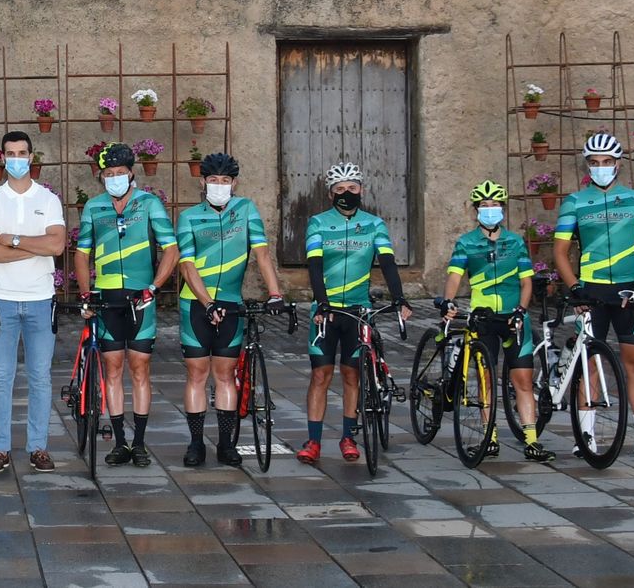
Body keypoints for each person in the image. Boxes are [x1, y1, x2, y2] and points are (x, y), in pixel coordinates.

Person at [553, 133, 634, 458]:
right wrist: (575, 287)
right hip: (591, 290)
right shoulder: (574, 202)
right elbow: (560, 252)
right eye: (594, 162)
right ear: (587, 165)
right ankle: (586, 436)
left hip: (629, 290)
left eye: (606, 162)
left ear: (617, 164)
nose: (601, 167)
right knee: (589, 364)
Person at [175, 153, 287, 467]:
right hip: (195, 304)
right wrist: (207, 303)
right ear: (203, 182)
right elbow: (186, 265)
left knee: (225, 376)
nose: (219, 186)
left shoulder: (247, 210)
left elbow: (262, 255)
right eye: (213, 180)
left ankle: (226, 445)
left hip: (230, 302)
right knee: (197, 375)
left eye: (225, 181)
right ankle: (196, 444)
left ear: (234, 183)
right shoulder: (189, 217)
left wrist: (275, 293)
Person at [297, 163, 412, 465]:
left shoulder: (374, 225)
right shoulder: (318, 223)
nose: (346, 193)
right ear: (330, 193)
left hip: (359, 310)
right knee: (321, 374)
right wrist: (322, 302)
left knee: (351, 374)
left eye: (352, 188)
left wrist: (400, 298)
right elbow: (315, 265)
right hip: (327, 310)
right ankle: (313, 441)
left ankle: (348, 437)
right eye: (339, 190)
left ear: (362, 189)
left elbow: (387, 262)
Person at [75, 143, 177, 468]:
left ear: (131, 173)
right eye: (108, 174)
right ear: (101, 177)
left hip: (140, 299)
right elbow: (81, 254)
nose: (115, 178)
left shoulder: (149, 204)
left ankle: (141, 443)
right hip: (107, 300)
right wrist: (84, 293)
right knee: (113, 370)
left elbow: (171, 250)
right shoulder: (93, 207)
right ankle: (120, 443)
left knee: (140, 369)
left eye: (120, 173)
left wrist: (154, 287)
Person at [438, 181, 551, 463]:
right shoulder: (466, 242)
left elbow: (526, 283)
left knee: (523, 380)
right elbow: (455, 276)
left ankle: (532, 441)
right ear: (476, 211)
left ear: (502, 209)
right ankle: (490, 439)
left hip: (514, 317)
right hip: (484, 318)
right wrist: (449, 301)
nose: (490, 210)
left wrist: (521, 309)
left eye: (495, 205)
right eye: (484, 206)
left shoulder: (515, 242)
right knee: (486, 379)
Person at [0, 131, 66, 474]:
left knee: (40, 377)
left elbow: (56, 247)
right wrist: (34, 244)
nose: (16, 158)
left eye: (22, 152)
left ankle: (38, 448)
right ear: (3, 158)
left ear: (31, 157)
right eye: (10, 153)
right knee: (1, 378)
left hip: (41, 300)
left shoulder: (49, 199)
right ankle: (0, 449)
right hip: (2, 301)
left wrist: (11, 240)